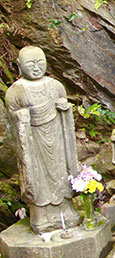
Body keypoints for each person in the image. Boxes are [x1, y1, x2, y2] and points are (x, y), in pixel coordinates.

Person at [5, 46, 80, 234]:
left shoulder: (55, 86)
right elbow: (12, 121)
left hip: (56, 136)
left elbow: (65, 108)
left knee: (60, 171)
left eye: (40, 62)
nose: (37, 67)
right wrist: (20, 117)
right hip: (33, 141)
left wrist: (64, 109)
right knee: (37, 176)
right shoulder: (16, 91)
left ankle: (66, 210)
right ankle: (41, 215)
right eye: (31, 64)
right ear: (20, 66)